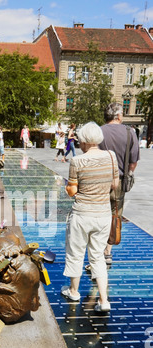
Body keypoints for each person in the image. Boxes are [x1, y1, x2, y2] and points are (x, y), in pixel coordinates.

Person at [62, 122, 119, 313]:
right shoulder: (111, 157)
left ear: (84, 140)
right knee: (97, 257)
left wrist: (67, 188)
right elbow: (115, 185)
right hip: (103, 214)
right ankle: (104, 301)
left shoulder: (77, 161)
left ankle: (74, 291)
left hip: (82, 215)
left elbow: (72, 191)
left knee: (76, 253)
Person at [99, 103, 140, 266]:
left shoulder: (98, 132)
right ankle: (107, 252)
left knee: (97, 215)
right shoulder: (130, 132)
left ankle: (96, 251)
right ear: (118, 116)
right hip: (119, 183)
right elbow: (133, 161)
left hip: (99, 181)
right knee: (115, 215)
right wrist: (129, 175)